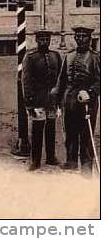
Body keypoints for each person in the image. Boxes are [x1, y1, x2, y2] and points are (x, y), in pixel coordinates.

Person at [52, 26, 100, 173]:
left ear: (89, 38)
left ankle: (86, 169)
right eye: (77, 36)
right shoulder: (69, 55)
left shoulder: (95, 57)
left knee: (86, 136)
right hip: (70, 100)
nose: (80, 39)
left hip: (87, 103)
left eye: (83, 36)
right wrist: (58, 101)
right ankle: (71, 162)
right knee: (70, 134)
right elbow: (62, 80)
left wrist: (90, 92)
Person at [21, 30, 62, 171]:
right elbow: (26, 81)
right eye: (42, 39)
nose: (45, 42)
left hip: (52, 100)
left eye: (47, 39)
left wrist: (59, 101)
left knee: (51, 129)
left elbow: (60, 80)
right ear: (36, 40)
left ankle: (51, 157)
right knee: (37, 130)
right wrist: (29, 103)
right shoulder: (30, 57)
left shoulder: (55, 56)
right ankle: (35, 161)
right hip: (37, 99)